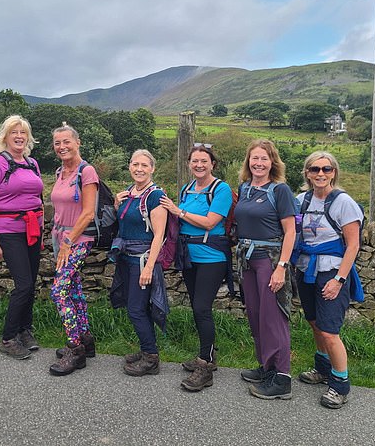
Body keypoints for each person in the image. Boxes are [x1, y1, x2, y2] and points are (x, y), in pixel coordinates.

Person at [292, 151, 363, 409]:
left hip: (332, 271)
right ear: (307, 173)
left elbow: (353, 245)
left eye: (326, 169)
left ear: (334, 172)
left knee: (330, 331)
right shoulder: (301, 200)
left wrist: (339, 279)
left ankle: (340, 384)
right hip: (306, 270)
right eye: (314, 169)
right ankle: (322, 369)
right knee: (314, 322)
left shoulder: (344, 203)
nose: (320, 174)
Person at [160, 144, 232, 392]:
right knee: (196, 306)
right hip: (188, 256)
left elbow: (211, 222)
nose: (199, 165)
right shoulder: (187, 189)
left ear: (213, 164)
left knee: (202, 307)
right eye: (194, 161)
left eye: (204, 161)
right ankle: (205, 353)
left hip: (212, 257)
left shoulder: (220, 189)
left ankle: (207, 363)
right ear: (189, 164)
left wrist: (177, 211)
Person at [234, 139, 296, 400]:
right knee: (256, 316)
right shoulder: (245, 188)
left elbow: (291, 231)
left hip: (269, 260)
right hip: (247, 260)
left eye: (264, 159)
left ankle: (282, 378)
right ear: (248, 161)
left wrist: (281, 267)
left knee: (273, 318)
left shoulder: (280, 190)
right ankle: (266, 368)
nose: (258, 163)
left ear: (273, 162)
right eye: (254, 158)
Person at [0, 115, 43, 360]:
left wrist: (41, 227)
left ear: (28, 137)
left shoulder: (32, 163)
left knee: (31, 282)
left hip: (32, 230)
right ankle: (8, 338)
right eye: (14, 132)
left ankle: (25, 330)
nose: (19, 136)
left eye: (23, 133)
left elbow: (37, 198)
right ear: (4, 136)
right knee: (24, 284)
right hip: (8, 230)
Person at [109, 149, 168, 376]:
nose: (139, 169)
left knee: (136, 309)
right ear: (129, 166)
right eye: (135, 164)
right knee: (137, 307)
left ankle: (151, 358)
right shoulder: (129, 193)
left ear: (152, 168)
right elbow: (125, 222)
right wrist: (116, 204)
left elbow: (159, 235)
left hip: (141, 261)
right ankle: (147, 350)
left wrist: (150, 268)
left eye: (144, 165)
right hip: (126, 259)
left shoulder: (155, 196)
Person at [48, 122, 98, 376]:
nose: (62, 146)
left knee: (59, 291)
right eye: (57, 143)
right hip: (61, 238)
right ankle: (86, 339)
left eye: (66, 141)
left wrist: (68, 242)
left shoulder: (86, 172)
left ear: (77, 143)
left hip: (78, 239)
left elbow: (88, 212)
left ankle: (75, 348)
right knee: (74, 288)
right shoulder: (60, 172)